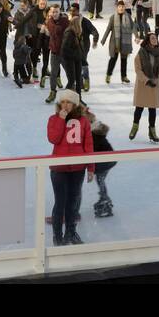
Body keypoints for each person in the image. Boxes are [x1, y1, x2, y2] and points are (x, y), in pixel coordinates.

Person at [47, 89, 93, 246]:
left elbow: (88, 146)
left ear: (75, 104)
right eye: (63, 102)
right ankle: (57, 236)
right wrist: (61, 119)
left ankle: (71, 233)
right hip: (59, 169)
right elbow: (53, 139)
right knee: (60, 202)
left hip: (77, 169)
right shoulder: (53, 119)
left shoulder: (84, 121)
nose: (65, 105)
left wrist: (91, 168)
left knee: (73, 203)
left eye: (69, 102)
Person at [130, 32, 159, 142]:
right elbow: (138, 70)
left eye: (155, 38)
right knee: (139, 108)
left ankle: (152, 131)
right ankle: (135, 127)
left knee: (152, 110)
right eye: (152, 38)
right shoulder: (141, 53)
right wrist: (146, 80)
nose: (154, 39)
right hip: (143, 84)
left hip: (154, 85)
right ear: (147, 40)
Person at [89, 113, 116, 218]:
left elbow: (91, 151)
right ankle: (104, 199)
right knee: (100, 180)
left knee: (100, 179)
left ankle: (105, 201)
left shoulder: (94, 136)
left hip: (106, 161)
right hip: (107, 160)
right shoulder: (95, 133)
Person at [101, 0, 135, 84]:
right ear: (117, 8)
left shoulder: (128, 16)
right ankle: (108, 75)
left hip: (124, 42)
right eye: (120, 7)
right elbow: (108, 29)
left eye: (123, 7)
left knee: (124, 60)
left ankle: (124, 77)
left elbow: (133, 27)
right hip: (115, 42)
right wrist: (104, 39)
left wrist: (137, 36)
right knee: (113, 59)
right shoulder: (113, 17)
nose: (121, 8)